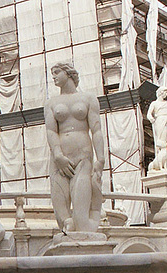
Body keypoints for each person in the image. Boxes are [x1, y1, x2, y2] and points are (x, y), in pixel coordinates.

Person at [44, 62, 105, 233]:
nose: (54, 76)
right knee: (60, 205)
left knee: (80, 212)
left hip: (83, 156)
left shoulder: (88, 98)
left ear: (68, 73)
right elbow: (51, 131)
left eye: (57, 72)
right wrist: (57, 154)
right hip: (60, 157)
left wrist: (101, 159)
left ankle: (86, 224)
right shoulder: (51, 103)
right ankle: (66, 225)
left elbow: (97, 130)